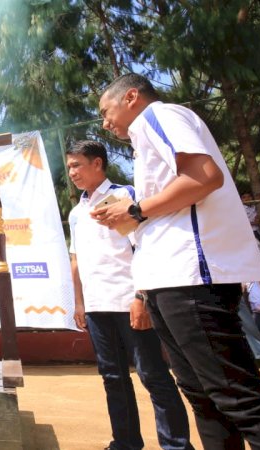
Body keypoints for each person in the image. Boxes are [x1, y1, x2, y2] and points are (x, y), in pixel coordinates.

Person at [94, 73, 260, 448]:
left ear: (131, 98)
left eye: (105, 111)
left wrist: (137, 209)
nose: (105, 123)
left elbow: (205, 177)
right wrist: (132, 217)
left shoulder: (161, 116)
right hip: (167, 282)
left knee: (239, 399)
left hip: (190, 279)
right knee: (203, 397)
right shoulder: (145, 141)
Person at [67, 140, 191, 450]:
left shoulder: (125, 196)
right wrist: (80, 303)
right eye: (69, 166)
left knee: (153, 376)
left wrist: (141, 297)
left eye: (77, 165)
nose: (72, 172)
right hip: (96, 308)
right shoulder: (76, 212)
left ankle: (176, 445)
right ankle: (125, 443)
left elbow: (145, 247)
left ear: (97, 163)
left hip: (128, 302)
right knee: (113, 379)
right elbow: (76, 261)